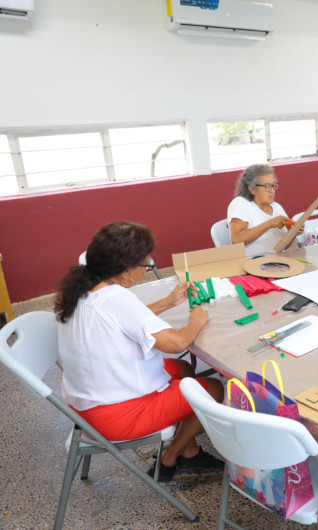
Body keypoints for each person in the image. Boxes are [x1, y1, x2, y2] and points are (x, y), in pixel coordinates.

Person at [55, 222, 225, 484]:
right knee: (213, 388)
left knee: (185, 371)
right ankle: (169, 459)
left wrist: (169, 301)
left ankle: (189, 451)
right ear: (125, 271)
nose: (146, 271)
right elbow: (177, 343)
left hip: (88, 401)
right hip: (116, 414)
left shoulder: (84, 288)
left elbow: (124, 320)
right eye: (145, 265)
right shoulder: (116, 298)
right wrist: (197, 320)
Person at [228, 164, 295, 258]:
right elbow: (237, 240)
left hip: (278, 260)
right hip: (253, 263)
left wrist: (294, 234)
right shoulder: (241, 203)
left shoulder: (277, 207)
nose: (272, 191)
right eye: (267, 186)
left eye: (273, 185)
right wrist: (269, 224)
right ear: (252, 189)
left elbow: (283, 247)